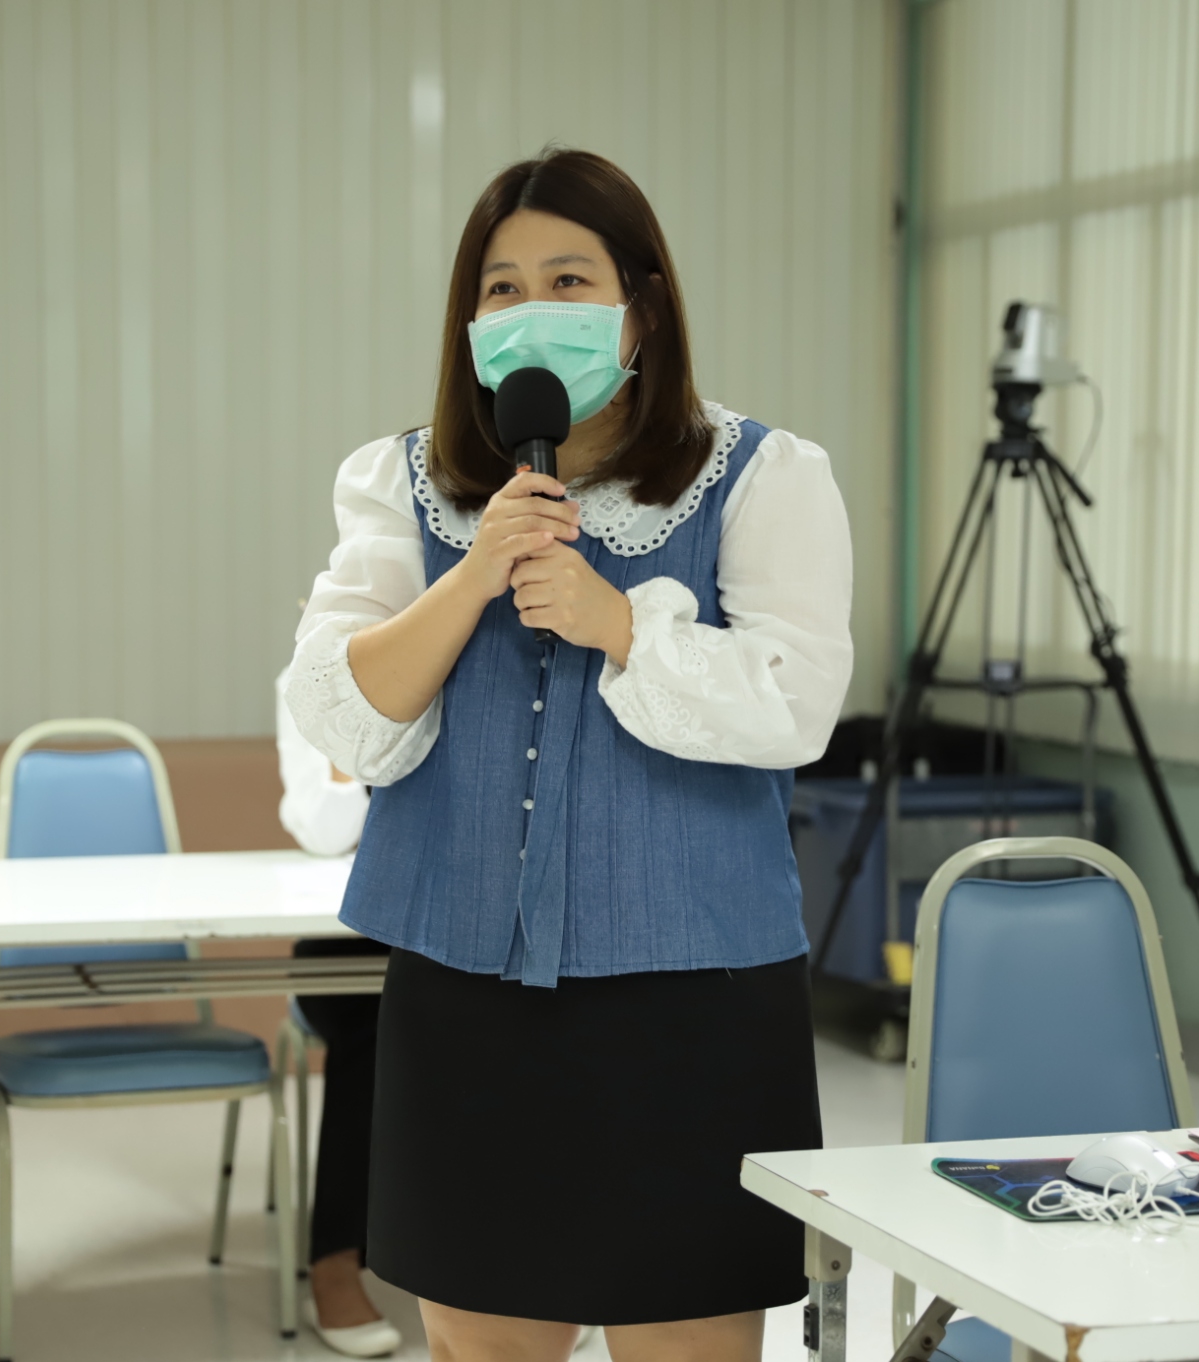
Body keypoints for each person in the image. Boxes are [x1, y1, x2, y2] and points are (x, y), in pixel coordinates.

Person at [285, 148, 852, 1362]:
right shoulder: (398, 484)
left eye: (567, 279)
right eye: (500, 288)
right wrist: (473, 575)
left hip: (693, 1000)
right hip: (466, 1000)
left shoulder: (764, 476)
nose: (530, 310)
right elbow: (342, 716)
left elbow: (795, 706)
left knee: (688, 1346)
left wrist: (617, 624)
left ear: (640, 307)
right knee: (479, 1342)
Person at [275, 666, 400, 1359]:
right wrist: (347, 710)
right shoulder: (307, 676)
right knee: (373, 1028)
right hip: (345, 933)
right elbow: (324, 832)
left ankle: (528, 1257)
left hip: (446, 910)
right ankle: (334, 1262)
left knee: (527, 1018)